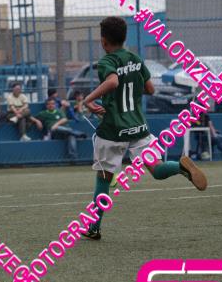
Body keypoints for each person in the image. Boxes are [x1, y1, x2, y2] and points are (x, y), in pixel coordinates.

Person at [81, 16, 207, 241]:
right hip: (138, 127)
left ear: (103, 40)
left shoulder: (107, 61)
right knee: (157, 169)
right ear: (124, 38)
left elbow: (113, 82)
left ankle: (94, 227)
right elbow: (150, 89)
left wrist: (88, 100)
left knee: (104, 178)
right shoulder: (135, 59)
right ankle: (180, 167)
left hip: (113, 130)